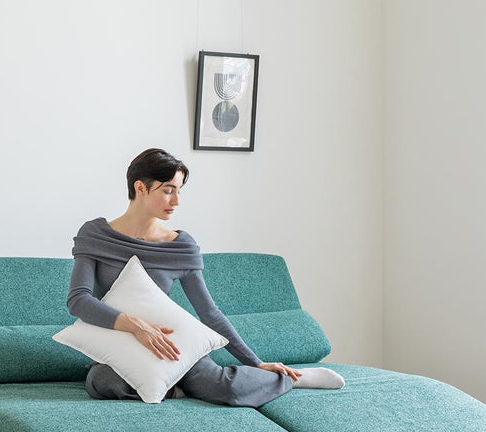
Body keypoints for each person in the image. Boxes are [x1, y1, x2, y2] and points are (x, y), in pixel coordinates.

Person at [67, 148, 345, 406]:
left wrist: (257, 363)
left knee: (228, 389)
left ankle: (289, 380)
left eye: (179, 191)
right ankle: (178, 390)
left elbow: (209, 313)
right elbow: (79, 300)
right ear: (140, 187)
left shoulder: (179, 246)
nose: (176, 201)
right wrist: (136, 326)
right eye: (168, 190)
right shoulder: (96, 235)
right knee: (101, 382)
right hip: (121, 346)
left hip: (174, 346)